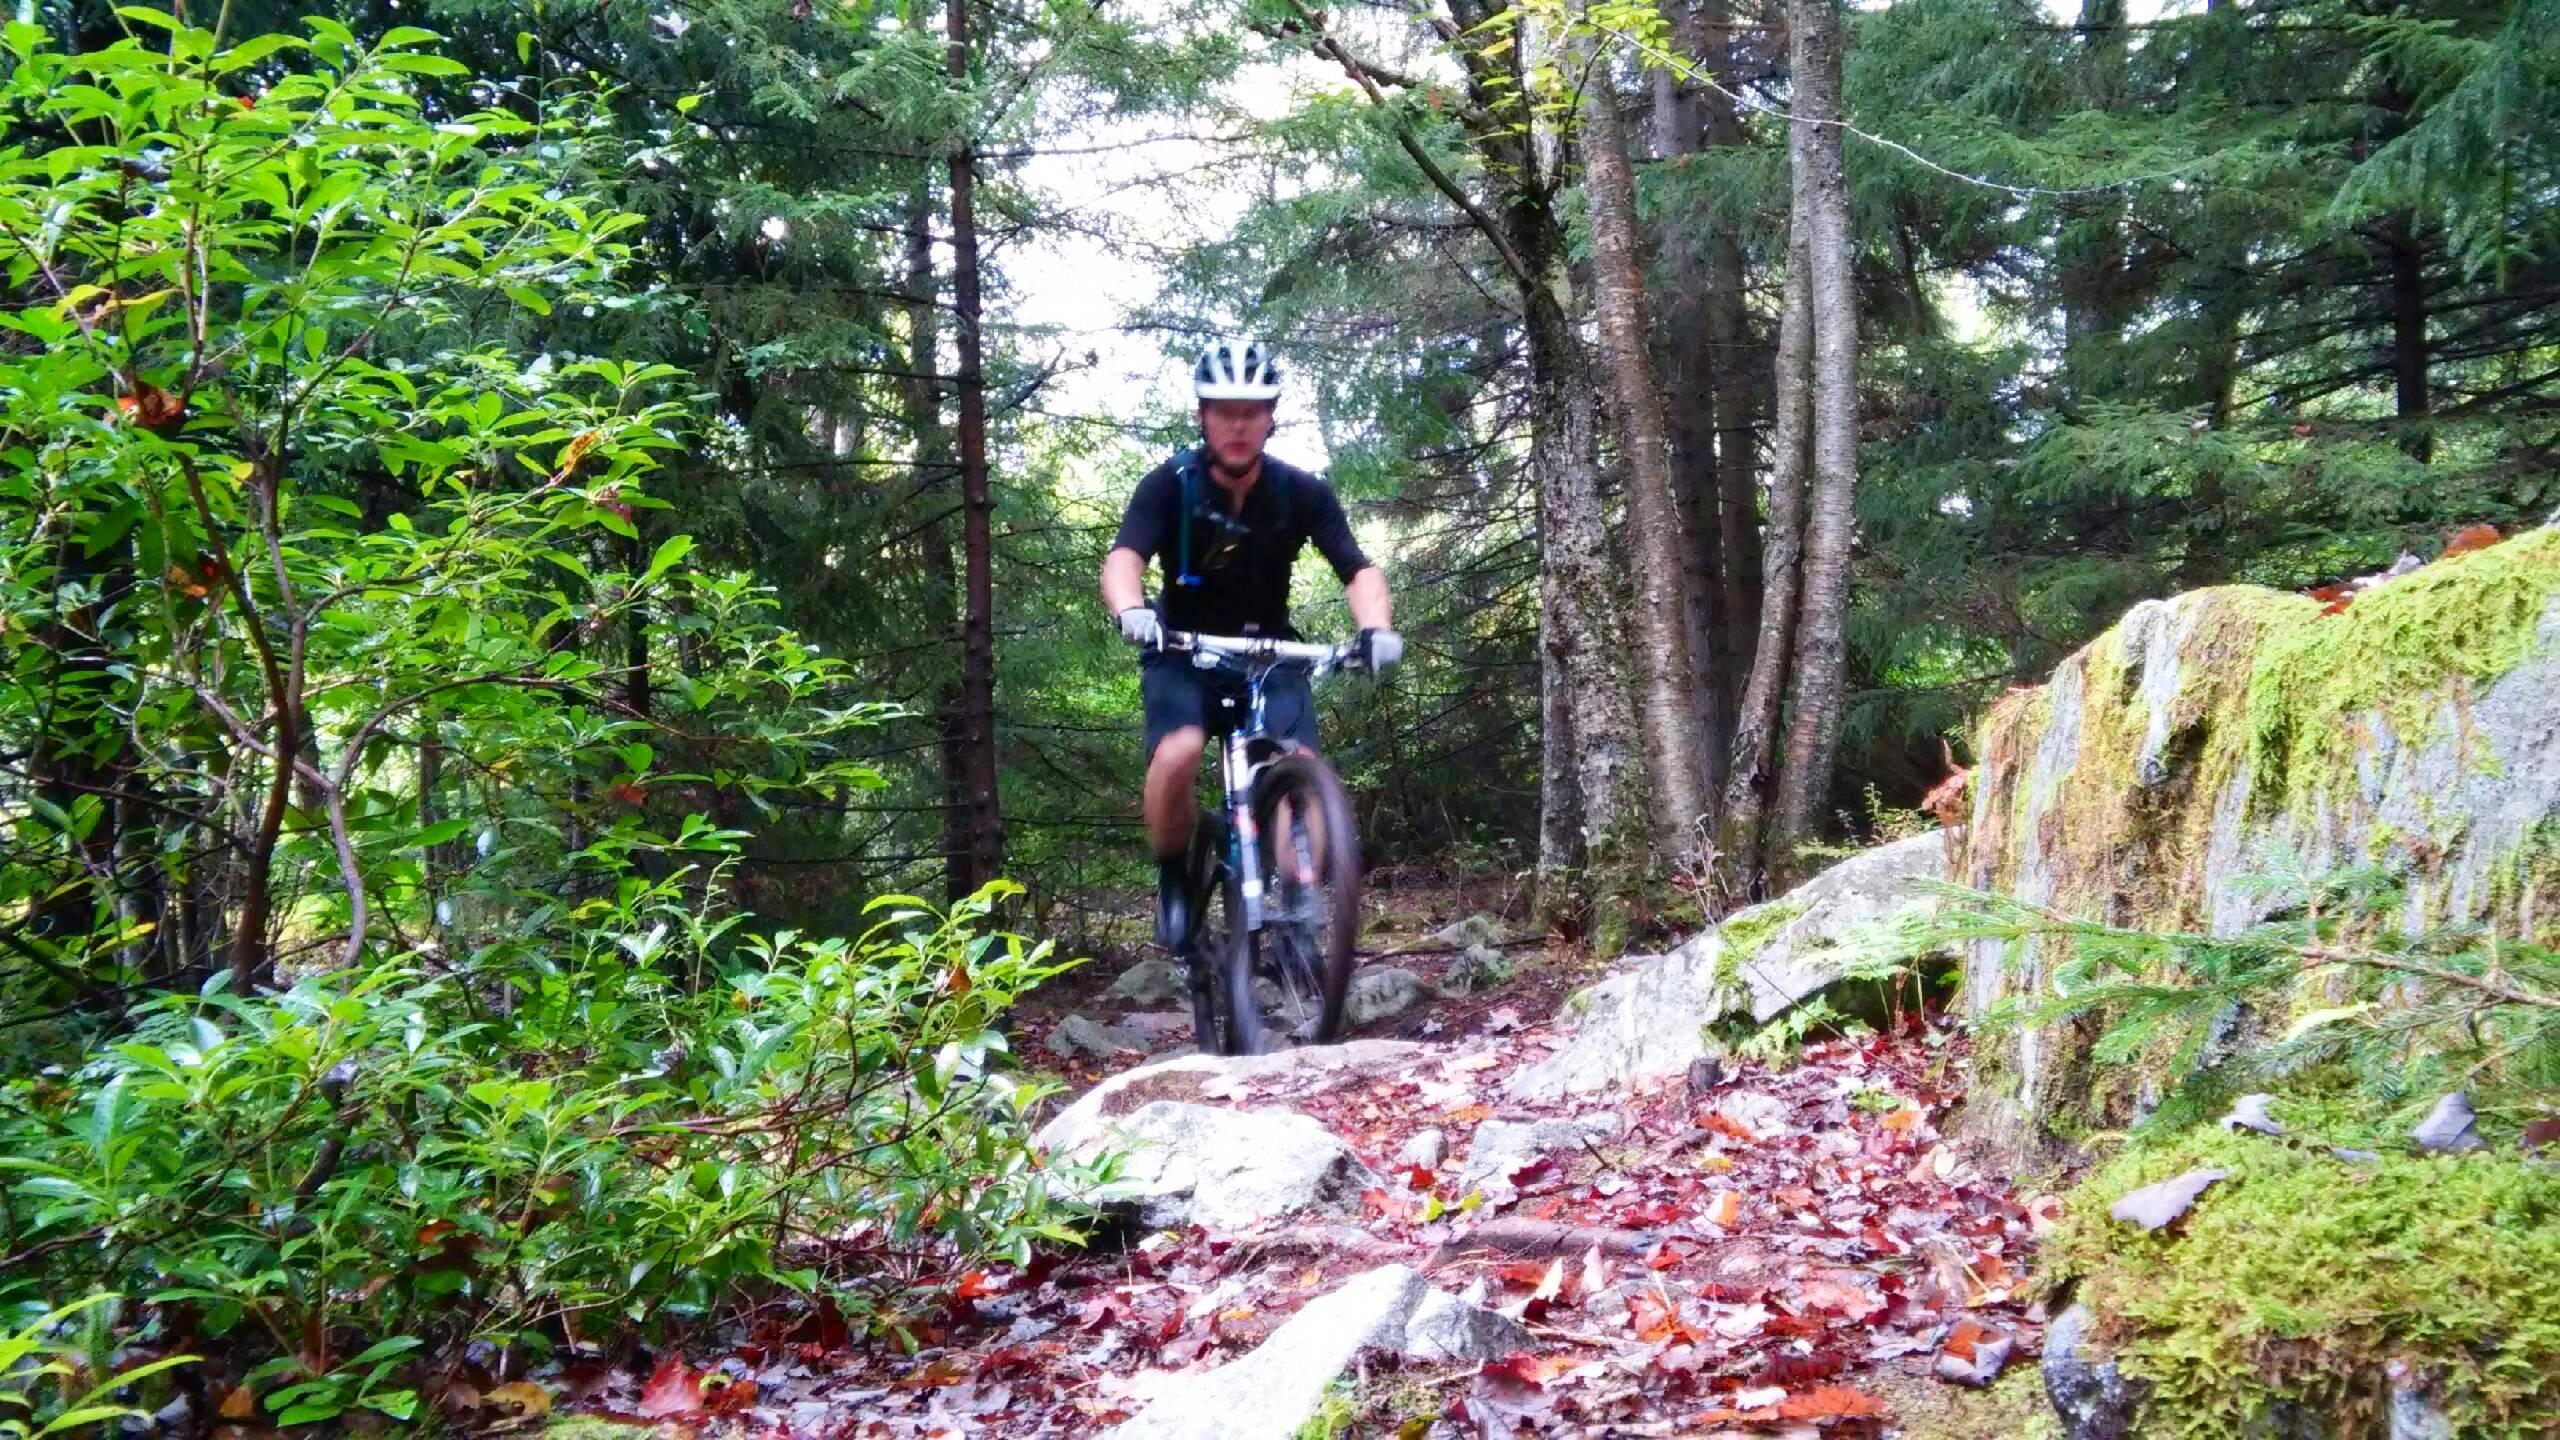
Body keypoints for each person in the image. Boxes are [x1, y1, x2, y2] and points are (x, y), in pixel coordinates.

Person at [1099, 337, 1400, 952]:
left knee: (1299, 768)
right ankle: (1174, 878)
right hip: (1182, 649)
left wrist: (1375, 630)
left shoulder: (1299, 492)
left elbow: (1357, 569)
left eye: (1252, 410)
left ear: (1270, 417)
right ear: (1203, 416)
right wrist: (1131, 609)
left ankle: (1299, 901)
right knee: (1179, 751)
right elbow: (1124, 558)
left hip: (1268, 655)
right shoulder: (1170, 485)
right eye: (1224, 410)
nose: (1238, 424)